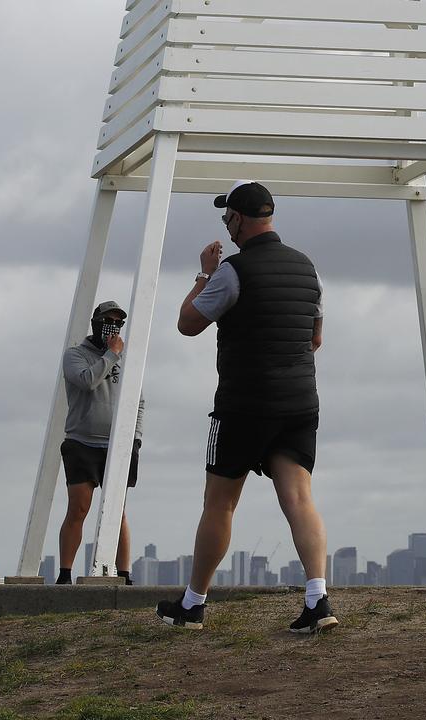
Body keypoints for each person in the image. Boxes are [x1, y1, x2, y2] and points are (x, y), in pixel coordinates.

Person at [155, 181, 337, 633]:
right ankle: (318, 600)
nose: (226, 226)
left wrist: (203, 274)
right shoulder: (307, 269)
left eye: (226, 218)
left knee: (219, 504)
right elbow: (315, 339)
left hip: (241, 404)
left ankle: (193, 604)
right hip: (299, 401)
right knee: (299, 498)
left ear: (238, 219)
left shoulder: (232, 271)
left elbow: (187, 323)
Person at [55, 301, 144, 585]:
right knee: (79, 508)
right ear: (96, 321)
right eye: (108, 320)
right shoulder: (75, 355)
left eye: (118, 322)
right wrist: (111, 355)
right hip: (82, 442)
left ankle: (124, 573)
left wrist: (136, 437)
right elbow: (87, 381)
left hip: (118, 444)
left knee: (117, 512)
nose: (113, 327)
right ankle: (65, 573)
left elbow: (138, 400)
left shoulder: (126, 358)